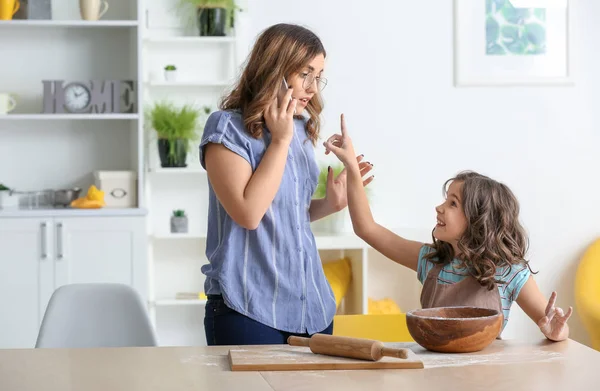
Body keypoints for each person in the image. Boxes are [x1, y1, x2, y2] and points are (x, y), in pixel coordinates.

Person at [323, 115, 572, 341]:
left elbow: (551, 326)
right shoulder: (430, 261)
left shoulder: (510, 272)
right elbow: (367, 228)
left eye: (453, 203)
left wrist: (557, 331)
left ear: (478, 220)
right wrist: (352, 170)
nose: (439, 208)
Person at [198, 24, 373, 345]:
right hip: (247, 307)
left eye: (318, 76)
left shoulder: (301, 128)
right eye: (305, 73)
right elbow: (249, 213)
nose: (312, 88)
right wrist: (279, 141)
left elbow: (285, 213)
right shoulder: (226, 128)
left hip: (312, 308)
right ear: (274, 70)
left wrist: (330, 204)